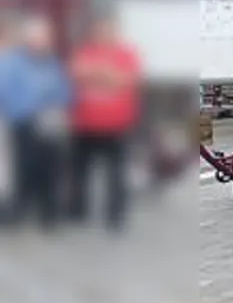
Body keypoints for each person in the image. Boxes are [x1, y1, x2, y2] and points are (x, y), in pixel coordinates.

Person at [67, 14, 142, 230]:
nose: (103, 33)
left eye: (108, 28)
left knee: (116, 174)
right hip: (84, 124)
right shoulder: (85, 51)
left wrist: (98, 72)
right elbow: (75, 73)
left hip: (116, 126)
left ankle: (115, 216)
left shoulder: (126, 53)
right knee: (80, 171)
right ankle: (78, 210)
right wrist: (105, 73)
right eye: (99, 29)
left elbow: (125, 80)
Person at [0, 16, 72, 229]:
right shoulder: (12, 62)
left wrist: (55, 104)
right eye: (36, 39)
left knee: (50, 168)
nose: (41, 43)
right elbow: (6, 92)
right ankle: (19, 210)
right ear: (27, 41)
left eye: (44, 39)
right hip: (24, 123)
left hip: (50, 122)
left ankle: (49, 213)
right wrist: (32, 106)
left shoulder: (53, 63)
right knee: (24, 168)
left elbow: (65, 91)